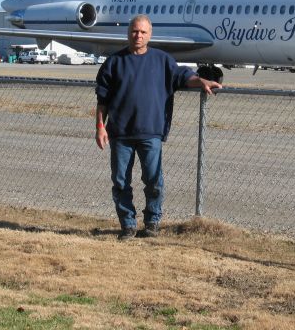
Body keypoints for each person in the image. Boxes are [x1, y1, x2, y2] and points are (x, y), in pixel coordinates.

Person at [95, 14, 222, 240]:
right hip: (120, 133)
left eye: (143, 32)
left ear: (150, 34)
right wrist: (100, 127)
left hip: (150, 133)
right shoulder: (114, 62)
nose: (138, 35)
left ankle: (152, 222)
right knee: (121, 181)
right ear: (128, 32)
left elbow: (184, 77)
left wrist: (201, 81)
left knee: (153, 180)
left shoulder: (162, 61)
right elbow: (102, 100)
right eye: (134, 31)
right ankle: (128, 225)